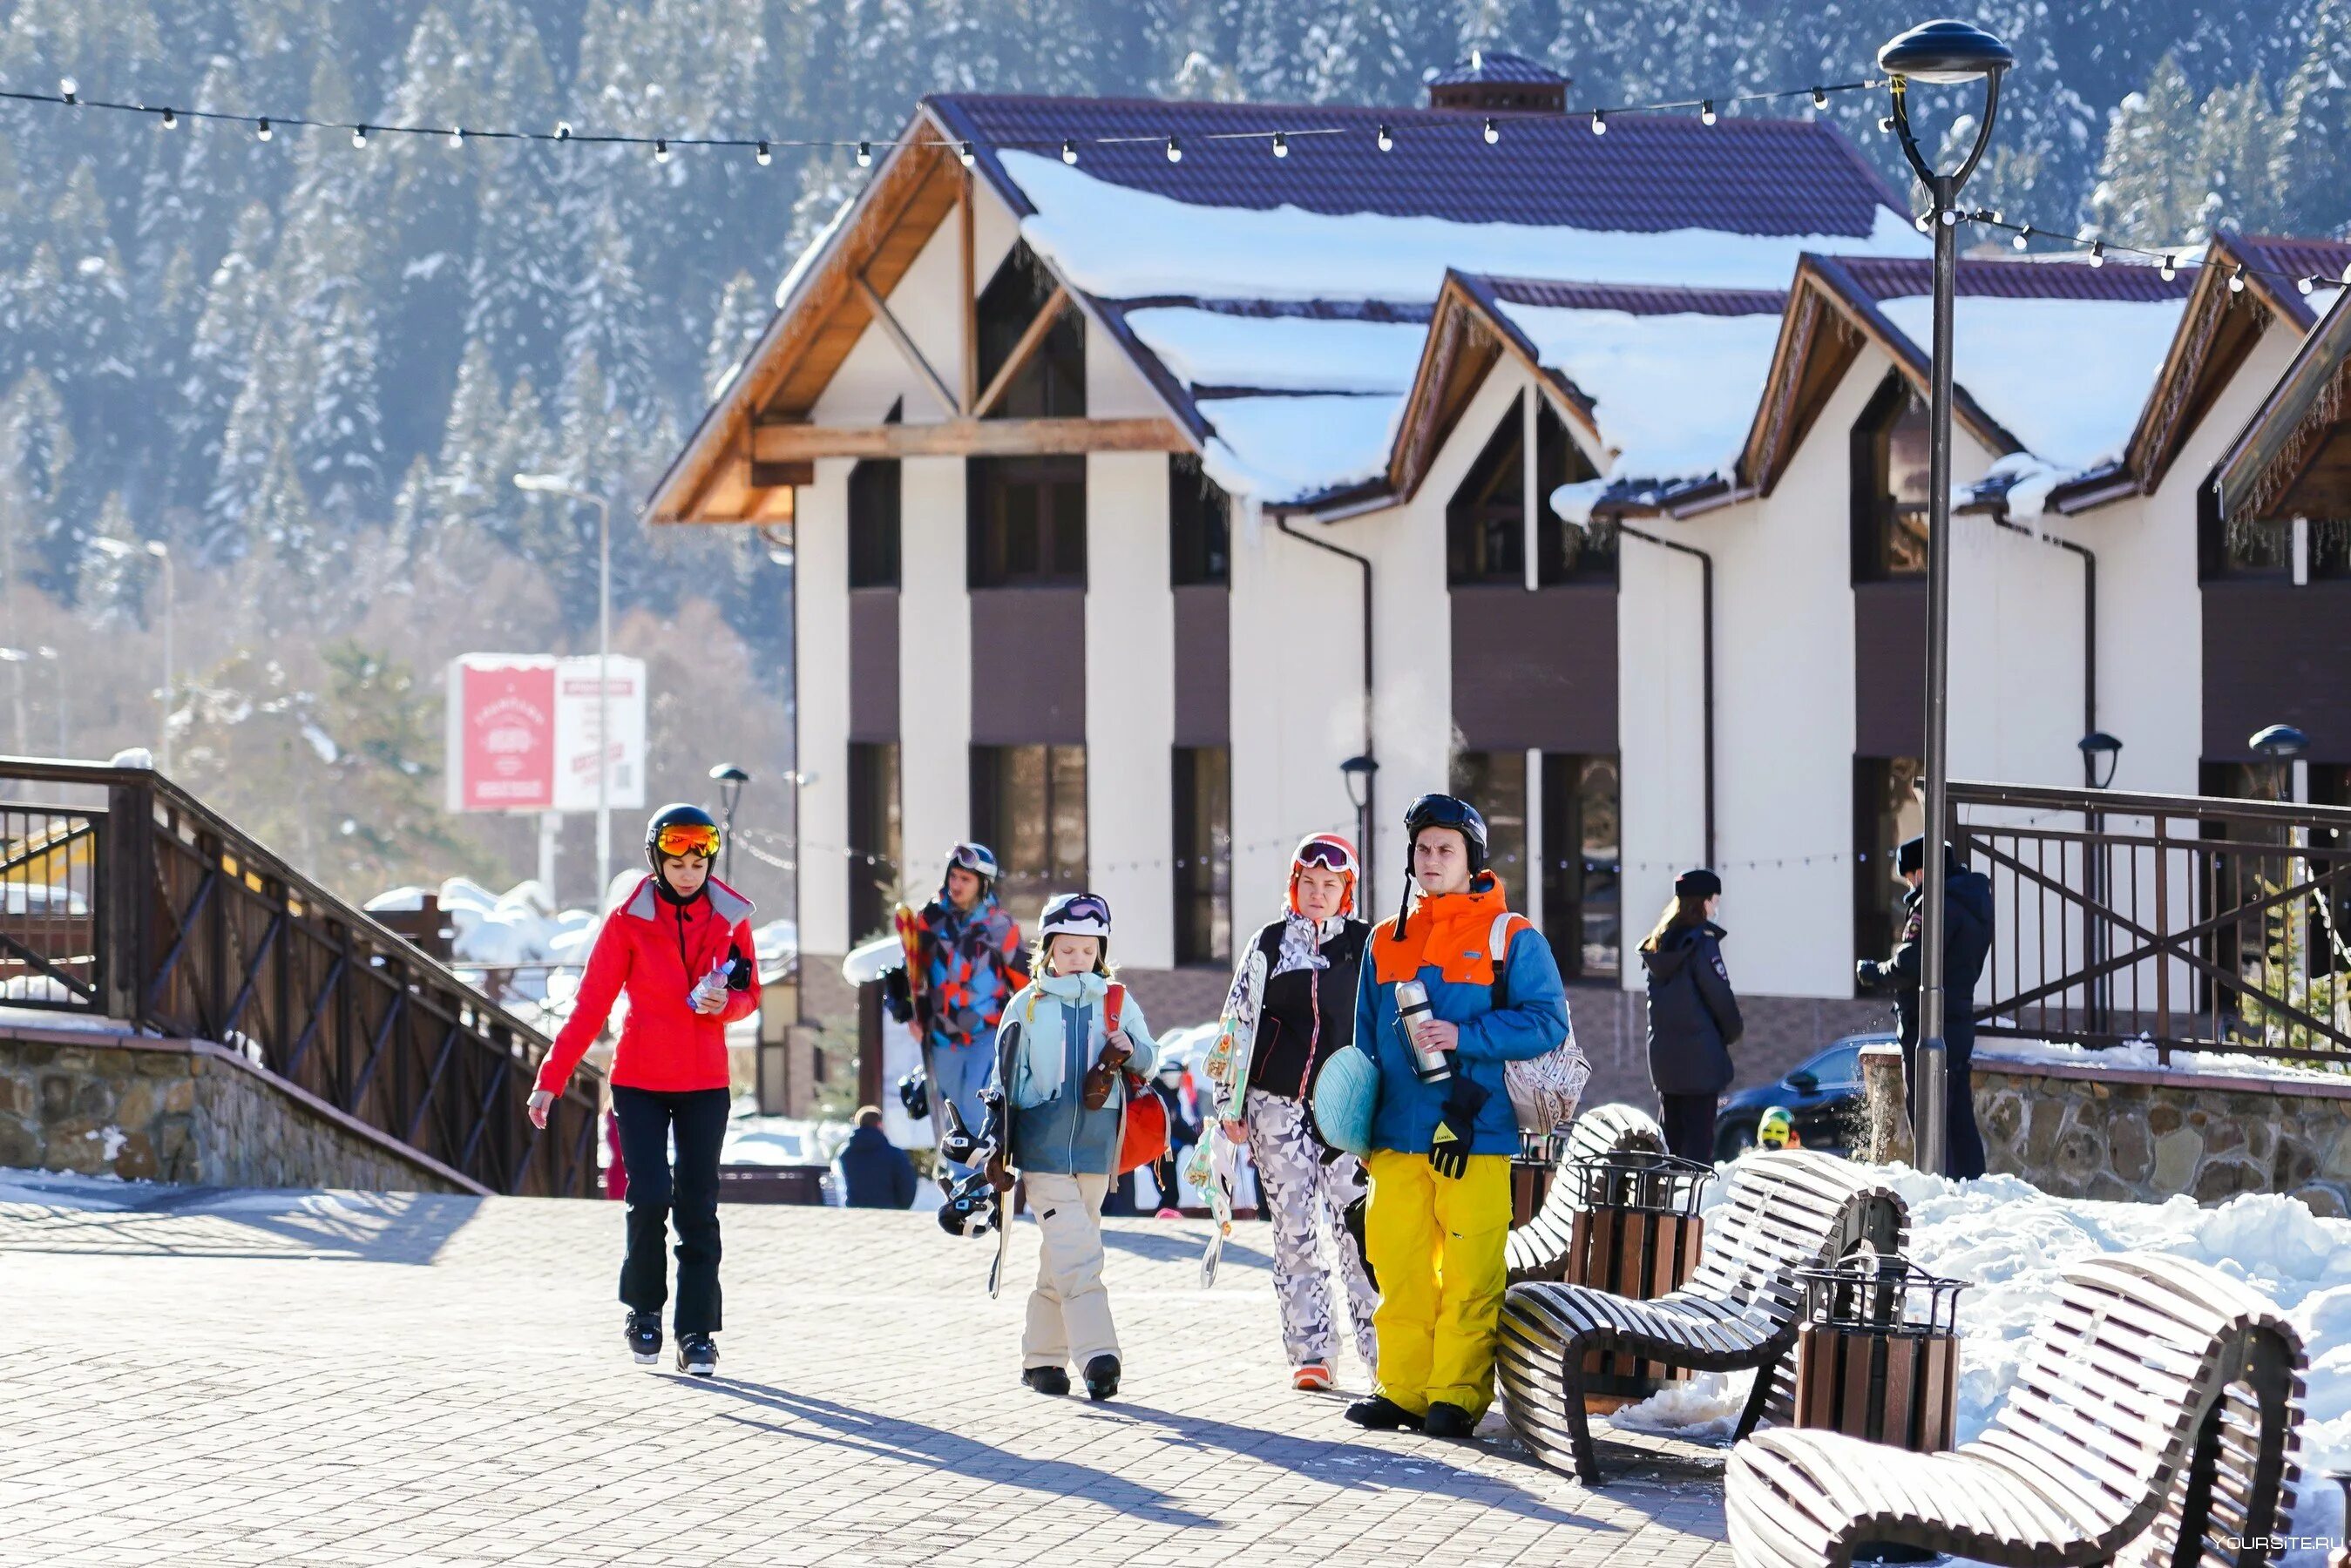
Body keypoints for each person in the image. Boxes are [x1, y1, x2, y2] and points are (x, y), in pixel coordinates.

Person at [1346, 795, 1568, 1438]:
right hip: (1394, 1137)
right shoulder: (1384, 939)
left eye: (1447, 849)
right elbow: (1365, 1038)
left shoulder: (1511, 936)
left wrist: (1461, 1035)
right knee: (1400, 1267)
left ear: (1473, 859)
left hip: (1476, 1130)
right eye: (1423, 849)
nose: (1433, 859)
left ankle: (1455, 1397)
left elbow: (1547, 1021)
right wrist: (1358, 1126)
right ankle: (1404, 1392)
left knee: (1471, 1271)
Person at [528, 803, 760, 1377]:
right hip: (640, 1082)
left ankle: (697, 1332)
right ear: (656, 859)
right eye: (676, 859)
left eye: (698, 859)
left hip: (706, 1082)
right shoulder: (627, 920)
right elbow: (590, 1008)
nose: (688, 870)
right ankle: (644, 1313)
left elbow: (749, 992)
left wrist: (725, 1005)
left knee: (698, 1206)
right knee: (651, 1196)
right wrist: (549, 1082)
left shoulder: (731, 919)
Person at [1205, 831, 1379, 1392]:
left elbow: (1388, 1027)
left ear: (1346, 890)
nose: (1318, 893)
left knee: (1362, 1232)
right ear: (1294, 885)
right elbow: (1236, 1025)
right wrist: (1229, 1102)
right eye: (1309, 883)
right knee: (1295, 1230)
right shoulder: (1268, 944)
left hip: (1347, 1110)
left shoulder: (1367, 945)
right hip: (1274, 1105)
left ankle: (1385, 1354)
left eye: (1331, 885)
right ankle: (1312, 1353)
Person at [986, 891, 1156, 1401]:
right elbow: (1005, 1080)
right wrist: (1000, 1142)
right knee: (1081, 1254)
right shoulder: (1027, 1004)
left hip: (1096, 1150)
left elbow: (1149, 1059)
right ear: (1049, 949)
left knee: (1062, 1253)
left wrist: (1131, 1052)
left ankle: (1041, 1361)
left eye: (1087, 950)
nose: (1077, 959)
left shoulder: (1118, 1002)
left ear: (1100, 951)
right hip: (1041, 1150)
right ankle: (1099, 1357)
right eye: (1067, 949)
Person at [1857, 837, 1994, 1179]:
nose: (1909, 884)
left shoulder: (1934, 904)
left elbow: (1910, 964)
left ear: (1920, 871)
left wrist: (1874, 972)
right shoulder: (1974, 900)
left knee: (1928, 1115)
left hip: (1928, 1023)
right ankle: (1972, 1188)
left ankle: (1939, 1187)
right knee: (1958, 1115)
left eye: (1908, 877)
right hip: (1960, 1018)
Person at [910, 842, 1026, 1176]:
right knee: (949, 1108)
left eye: (966, 879)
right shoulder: (929, 919)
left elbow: (1021, 978)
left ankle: (980, 1179)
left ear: (983, 884)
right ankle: (958, 1180)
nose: (956, 885)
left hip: (986, 1029)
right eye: (954, 876)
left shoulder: (999, 926)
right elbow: (913, 974)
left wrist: (1027, 1022)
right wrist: (913, 1015)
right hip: (941, 1032)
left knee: (975, 1107)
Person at [1639, 868, 1744, 1164]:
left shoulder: (1658, 944)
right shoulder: (1702, 943)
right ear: (1704, 902)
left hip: (1664, 1062)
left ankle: (1665, 1206)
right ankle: (1691, 1207)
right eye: (1715, 900)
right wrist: (1733, 1031)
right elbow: (1719, 997)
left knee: (1670, 1141)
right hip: (1700, 1062)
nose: (1717, 907)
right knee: (1698, 1147)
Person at [1143, 1058, 1201, 1218]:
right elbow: (1172, 1126)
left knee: (1171, 1194)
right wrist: (1193, 1138)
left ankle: (1167, 1214)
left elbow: (1178, 1124)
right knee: (1170, 1193)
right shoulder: (1158, 1097)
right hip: (1158, 1151)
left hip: (1167, 1151)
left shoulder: (1171, 1096)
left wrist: (1196, 1139)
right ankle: (1165, 1217)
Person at [840, 1105, 918, 1209]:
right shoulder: (895, 1155)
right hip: (888, 1211)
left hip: (856, 1211)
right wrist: (900, 1208)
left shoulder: (846, 1155)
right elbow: (907, 1188)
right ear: (879, 1124)